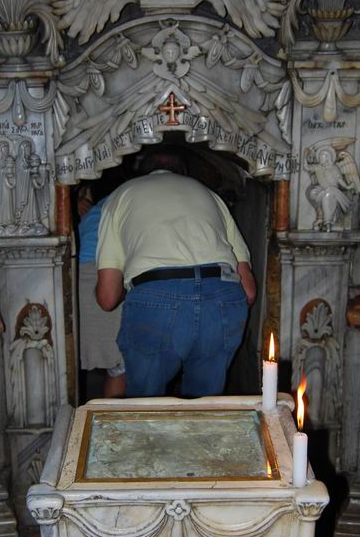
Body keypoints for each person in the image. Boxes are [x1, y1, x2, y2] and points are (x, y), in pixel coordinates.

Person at [95, 148, 256, 398]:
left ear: (140, 170)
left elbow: (107, 297)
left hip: (156, 299)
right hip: (223, 297)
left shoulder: (121, 196)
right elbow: (248, 290)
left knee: (146, 409)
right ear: (183, 173)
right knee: (204, 408)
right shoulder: (211, 196)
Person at [77, 175, 127, 398]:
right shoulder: (128, 202)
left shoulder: (90, 214)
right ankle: (110, 423)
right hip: (110, 275)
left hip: (78, 275)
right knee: (119, 366)